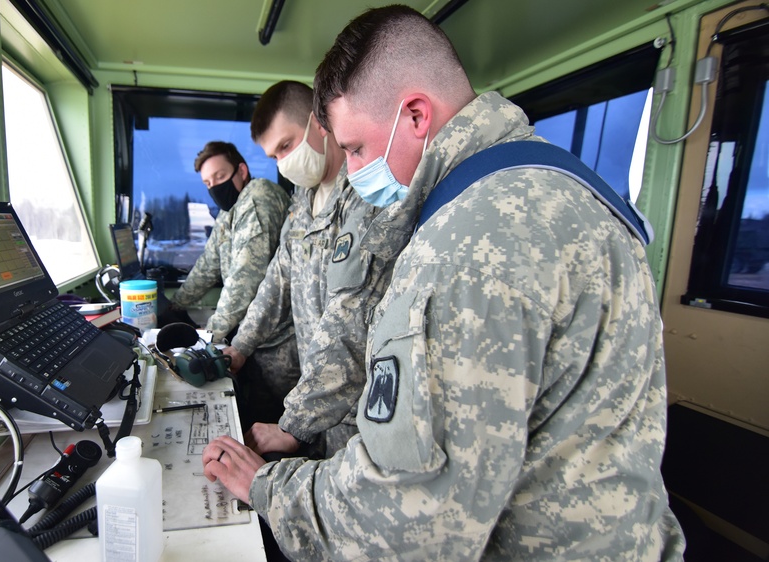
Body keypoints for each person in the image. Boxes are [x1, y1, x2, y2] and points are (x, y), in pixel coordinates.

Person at [202, 5, 685, 560]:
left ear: (415, 115)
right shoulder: (554, 182)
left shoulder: (465, 248)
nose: (355, 171)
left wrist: (267, 485)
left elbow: (409, 521)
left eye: (357, 148)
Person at [222, 80, 392, 459]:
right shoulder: (303, 199)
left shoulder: (366, 195)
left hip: (359, 410)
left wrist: (292, 424)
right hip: (315, 392)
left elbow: (350, 324)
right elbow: (278, 279)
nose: (283, 163)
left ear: (319, 123)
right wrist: (240, 347)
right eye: (273, 156)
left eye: (286, 145)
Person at [168, 141, 296, 427]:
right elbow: (208, 264)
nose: (215, 187)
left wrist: (208, 338)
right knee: (255, 417)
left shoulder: (257, 198)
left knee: (276, 424)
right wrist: (175, 305)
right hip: (253, 337)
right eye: (208, 183)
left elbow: (244, 278)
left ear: (241, 171)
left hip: (279, 342)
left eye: (221, 177)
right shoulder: (230, 211)